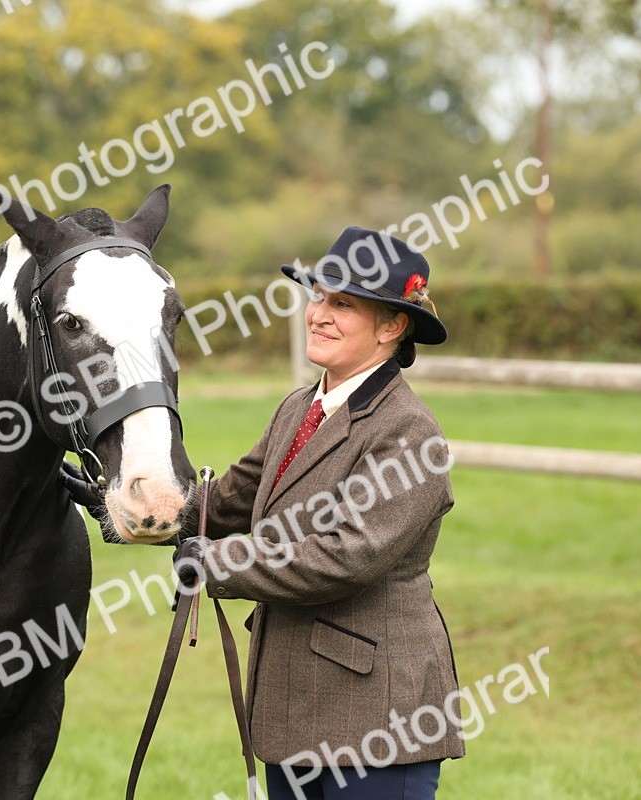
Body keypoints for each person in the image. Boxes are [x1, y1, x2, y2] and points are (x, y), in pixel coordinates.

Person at [174, 227, 463, 800]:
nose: (318, 314)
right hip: (292, 705)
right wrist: (139, 507)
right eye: (318, 296)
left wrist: (217, 562)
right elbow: (228, 501)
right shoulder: (300, 407)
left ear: (391, 326)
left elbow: (345, 556)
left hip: (381, 719)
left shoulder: (409, 431)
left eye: (343, 304)